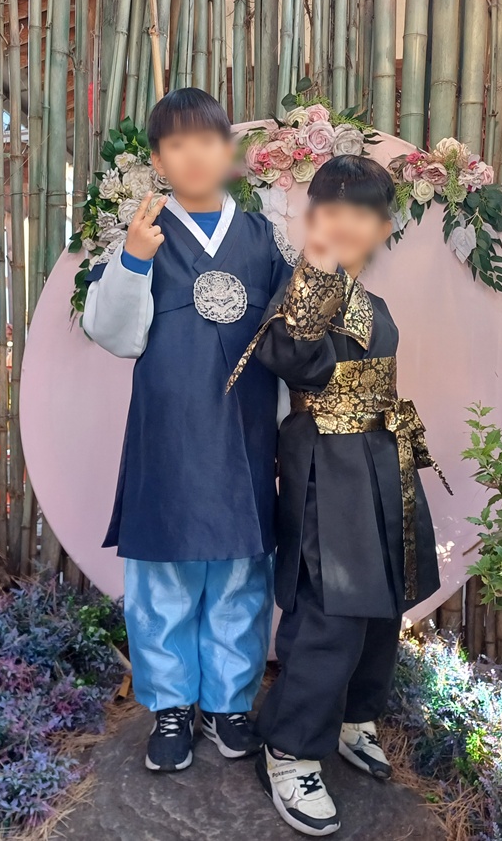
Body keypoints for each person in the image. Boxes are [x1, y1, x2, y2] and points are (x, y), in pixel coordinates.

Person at [229, 155, 448, 836]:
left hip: (383, 458)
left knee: (384, 605)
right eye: (339, 209)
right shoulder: (304, 289)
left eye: (368, 211)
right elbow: (291, 355)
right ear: (316, 216)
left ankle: (355, 716)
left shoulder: (370, 301)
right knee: (332, 613)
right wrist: (319, 267)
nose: (354, 224)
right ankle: (290, 748)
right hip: (328, 464)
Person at [81, 87, 294, 772]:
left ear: (229, 150)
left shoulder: (263, 239)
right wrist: (134, 259)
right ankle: (170, 707)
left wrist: (289, 432)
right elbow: (114, 334)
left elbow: (290, 342)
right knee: (163, 576)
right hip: (167, 436)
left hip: (244, 437)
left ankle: (229, 705)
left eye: (207, 140)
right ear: (157, 159)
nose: (194, 155)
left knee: (240, 573)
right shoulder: (145, 232)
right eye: (176, 143)